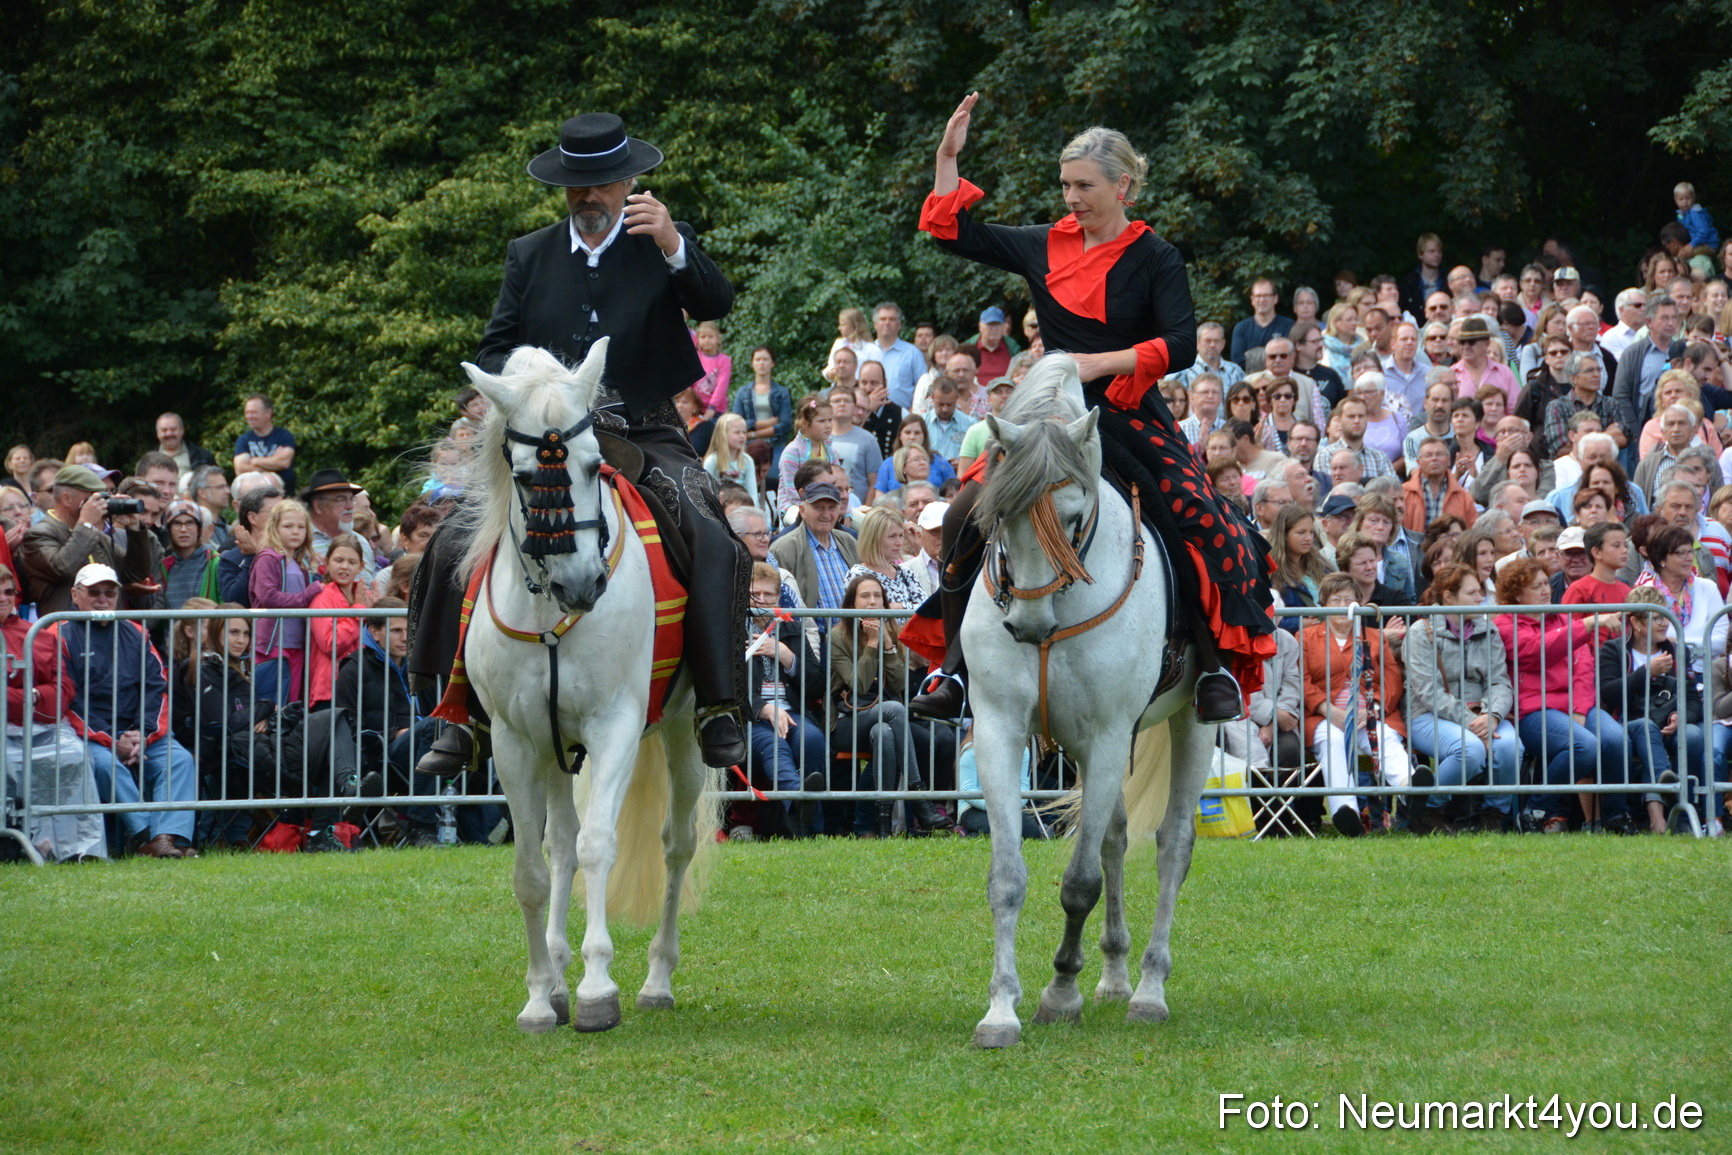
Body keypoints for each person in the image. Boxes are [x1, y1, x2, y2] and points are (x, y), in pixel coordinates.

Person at [911, 95, 1273, 722]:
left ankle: (1212, 668)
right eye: (1065, 185)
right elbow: (954, 234)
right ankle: (955, 669)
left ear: (1122, 186)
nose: (1071, 197)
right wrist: (947, 158)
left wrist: (1100, 363)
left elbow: (1183, 343)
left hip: (1128, 411)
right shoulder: (1042, 243)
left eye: (1083, 185)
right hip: (1048, 416)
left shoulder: (1156, 256)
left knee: (1191, 516)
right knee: (968, 512)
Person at [411, 112, 752, 773]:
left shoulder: (659, 240)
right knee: (454, 536)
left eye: (602, 184)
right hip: (548, 434)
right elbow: (494, 346)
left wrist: (678, 245)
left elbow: (717, 301)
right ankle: (458, 713)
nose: (589, 197)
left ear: (628, 183)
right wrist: (529, 390)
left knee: (712, 532)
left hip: (648, 427)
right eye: (578, 186)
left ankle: (718, 703)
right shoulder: (529, 253)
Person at [57, 564, 199, 857]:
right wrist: (112, 742)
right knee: (104, 765)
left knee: (180, 760)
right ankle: (146, 836)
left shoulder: (137, 632)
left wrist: (142, 735)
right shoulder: (58, 634)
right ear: (75, 595)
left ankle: (165, 838)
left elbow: (156, 687)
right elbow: (69, 702)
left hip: (138, 731)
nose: (102, 599)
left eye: (109, 592)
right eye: (93, 592)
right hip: (89, 736)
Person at [1495, 558, 1630, 834]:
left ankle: (1615, 817)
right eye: (1536, 586)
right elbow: (1537, 650)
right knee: (1584, 746)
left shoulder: (1563, 617)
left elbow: (1584, 668)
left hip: (1577, 706)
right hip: (1533, 710)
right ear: (1516, 595)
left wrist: (1580, 709)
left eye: (1546, 583)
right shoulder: (1504, 624)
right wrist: (1587, 625)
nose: (1546, 590)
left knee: (1617, 739)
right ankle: (1536, 809)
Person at [828, 573, 952, 833]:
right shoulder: (838, 637)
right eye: (865, 596)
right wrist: (873, 644)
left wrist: (888, 645)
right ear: (851, 604)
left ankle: (878, 826)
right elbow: (859, 685)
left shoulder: (892, 631)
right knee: (895, 711)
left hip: (886, 722)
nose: (873, 602)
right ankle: (921, 802)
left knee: (886, 735)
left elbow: (901, 687)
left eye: (877, 596)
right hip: (847, 721)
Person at [1, 562, 107, 860]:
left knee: (73, 754)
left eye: (9, 591)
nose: (3, 598)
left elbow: (64, 689)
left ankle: (78, 850)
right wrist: (31, 696)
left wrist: (28, 696)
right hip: (5, 731)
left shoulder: (39, 634)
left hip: (41, 727)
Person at [1404, 564, 1520, 833]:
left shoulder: (1488, 629)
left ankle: (1493, 816)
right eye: (1472, 592)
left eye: (1480, 590)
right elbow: (1428, 692)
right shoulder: (1421, 632)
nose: (1481, 597)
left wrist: (1492, 716)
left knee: (1509, 746)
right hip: (1426, 714)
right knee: (1470, 749)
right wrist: (1473, 722)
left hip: (1482, 713)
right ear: (1448, 597)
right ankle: (1426, 809)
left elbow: (1500, 682)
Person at [1301, 572, 1410, 838]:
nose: (1342, 606)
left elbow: (1392, 680)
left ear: (1358, 606)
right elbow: (1301, 682)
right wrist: (1329, 711)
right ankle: (1345, 811)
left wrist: (1372, 710)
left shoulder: (1374, 637)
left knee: (1384, 736)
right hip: (1325, 716)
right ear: (1324, 606)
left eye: (1348, 600)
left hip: (1368, 714)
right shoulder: (1305, 637)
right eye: (1335, 599)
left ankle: (1410, 785)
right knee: (1333, 741)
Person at [1598, 585, 1697, 835]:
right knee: (1645, 726)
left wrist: (1680, 716)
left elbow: (1694, 698)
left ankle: (1691, 816)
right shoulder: (1614, 650)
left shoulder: (1676, 650)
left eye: (1666, 615)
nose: (1665, 623)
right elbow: (1607, 693)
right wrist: (1646, 672)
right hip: (1628, 725)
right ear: (1636, 623)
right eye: (1657, 618)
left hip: (1669, 725)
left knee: (1694, 736)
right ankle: (1658, 818)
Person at [743, 562, 826, 836]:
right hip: (750, 717)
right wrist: (763, 708)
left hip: (792, 712)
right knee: (773, 745)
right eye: (756, 595)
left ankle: (813, 827)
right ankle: (800, 804)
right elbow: (728, 686)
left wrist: (787, 656)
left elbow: (816, 686)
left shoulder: (791, 629)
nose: (763, 601)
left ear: (779, 597)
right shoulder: (733, 632)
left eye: (769, 595)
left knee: (812, 740)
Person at [18, 464, 159, 617]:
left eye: (103, 497)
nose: (101, 503)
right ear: (66, 499)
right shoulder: (39, 534)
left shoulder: (94, 535)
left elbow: (135, 573)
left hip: (106, 630)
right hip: (66, 635)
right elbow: (62, 568)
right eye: (93, 498)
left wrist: (134, 528)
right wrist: (86, 525)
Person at [249, 498, 324, 703]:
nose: (295, 532)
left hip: (297, 643)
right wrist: (307, 594)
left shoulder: (304, 563)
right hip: (272, 643)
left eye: (301, 527)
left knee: (290, 704)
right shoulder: (268, 558)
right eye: (288, 526)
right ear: (275, 528)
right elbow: (268, 597)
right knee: (271, 704)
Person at [306, 532, 374, 709]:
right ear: (327, 563)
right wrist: (358, 611)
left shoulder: (364, 597)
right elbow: (331, 644)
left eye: (352, 562)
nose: (345, 567)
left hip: (361, 685)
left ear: (361, 567)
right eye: (338, 560)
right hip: (329, 689)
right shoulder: (321, 598)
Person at [845, 505, 925, 610]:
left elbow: (926, 608)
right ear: (874, 539)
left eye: (901, 536)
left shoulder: (906, 573)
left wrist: (900, 607)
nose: (899, 543)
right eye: (892, 536)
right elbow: (855, 615)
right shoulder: (858, 574)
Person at [734, 345, 796, 475]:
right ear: (752, 363)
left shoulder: (781, 392)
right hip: (749, 446)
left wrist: (753, 433)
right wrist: (766, 423)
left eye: (765, 359)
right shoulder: (743, 392)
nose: (761, 363)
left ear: (772, 363)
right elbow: (736, 423)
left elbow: (785, 425)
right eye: (758, 359)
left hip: (775, 446)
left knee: (775, 481)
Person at [154, 499, 220, 609]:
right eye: (177, 523)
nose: (183, 529)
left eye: (190, 523)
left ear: (199, 528)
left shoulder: (215, 561)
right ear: (168, 529)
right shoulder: (165, 566)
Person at [777, 395, 835, 510]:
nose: (828, 425)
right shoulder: (792, 452)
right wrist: (812, 508)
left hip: (826, 506)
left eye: (830, 420)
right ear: (805, 423)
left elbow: (838, 481)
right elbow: (792, 491)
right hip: (794, 507)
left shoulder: (830, 451)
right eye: (822, 421)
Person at [232, 393, 298, 494]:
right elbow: (240, 469)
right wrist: (273, 462)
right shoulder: (244, 440)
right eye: (247, 413)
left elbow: (284, 463)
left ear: (268, 413)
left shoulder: (284, 436)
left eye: (253, 412)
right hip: (254, 497)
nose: (249, 416)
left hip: (284, 495)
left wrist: (254, 460)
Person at [702, 412, 760, 506]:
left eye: (744, 432)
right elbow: (707, 492)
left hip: (742, 508)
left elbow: (752, 492)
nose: (742, 436)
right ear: (723, 435)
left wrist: (753, 510)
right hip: (719, 508)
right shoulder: (712, 461)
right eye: (737, 432)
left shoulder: (747, 461)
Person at [1230, 278, 1292, 364]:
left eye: (1266, 295)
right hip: (1249, 377)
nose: (1262, 300)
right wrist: (1273, 356)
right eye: (1258, 296)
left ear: (1275, 299)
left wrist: (1250, 356)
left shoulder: (1288, 326)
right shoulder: (1241, 328)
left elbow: (1288, 358)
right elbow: (1238, 361)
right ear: (1252, 300)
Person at [1174, 321, 1244, 389]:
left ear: (1223, 344)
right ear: (1197, 343)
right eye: (1208, 341)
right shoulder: (1183, 373)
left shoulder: (1235, 372)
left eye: (1216, 341)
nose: (1212, 345)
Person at [963, 305, 1019, 383]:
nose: (994, 328)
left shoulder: (1013, 348)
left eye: (998, 324)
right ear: (980, 326)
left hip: (1006, 393)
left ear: (1003, 326)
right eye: (990, 324)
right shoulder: (967, 349)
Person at [691, 320, 731, 418]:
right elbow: (690, 383)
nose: (707, 340)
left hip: (716, 410)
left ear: (717, 338)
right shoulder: (694, 357)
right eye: (703, 337)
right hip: (696, 408)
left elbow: (721, 385)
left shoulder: (724, 360)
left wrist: (712, 407)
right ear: (698, 339)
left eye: (710, 336)